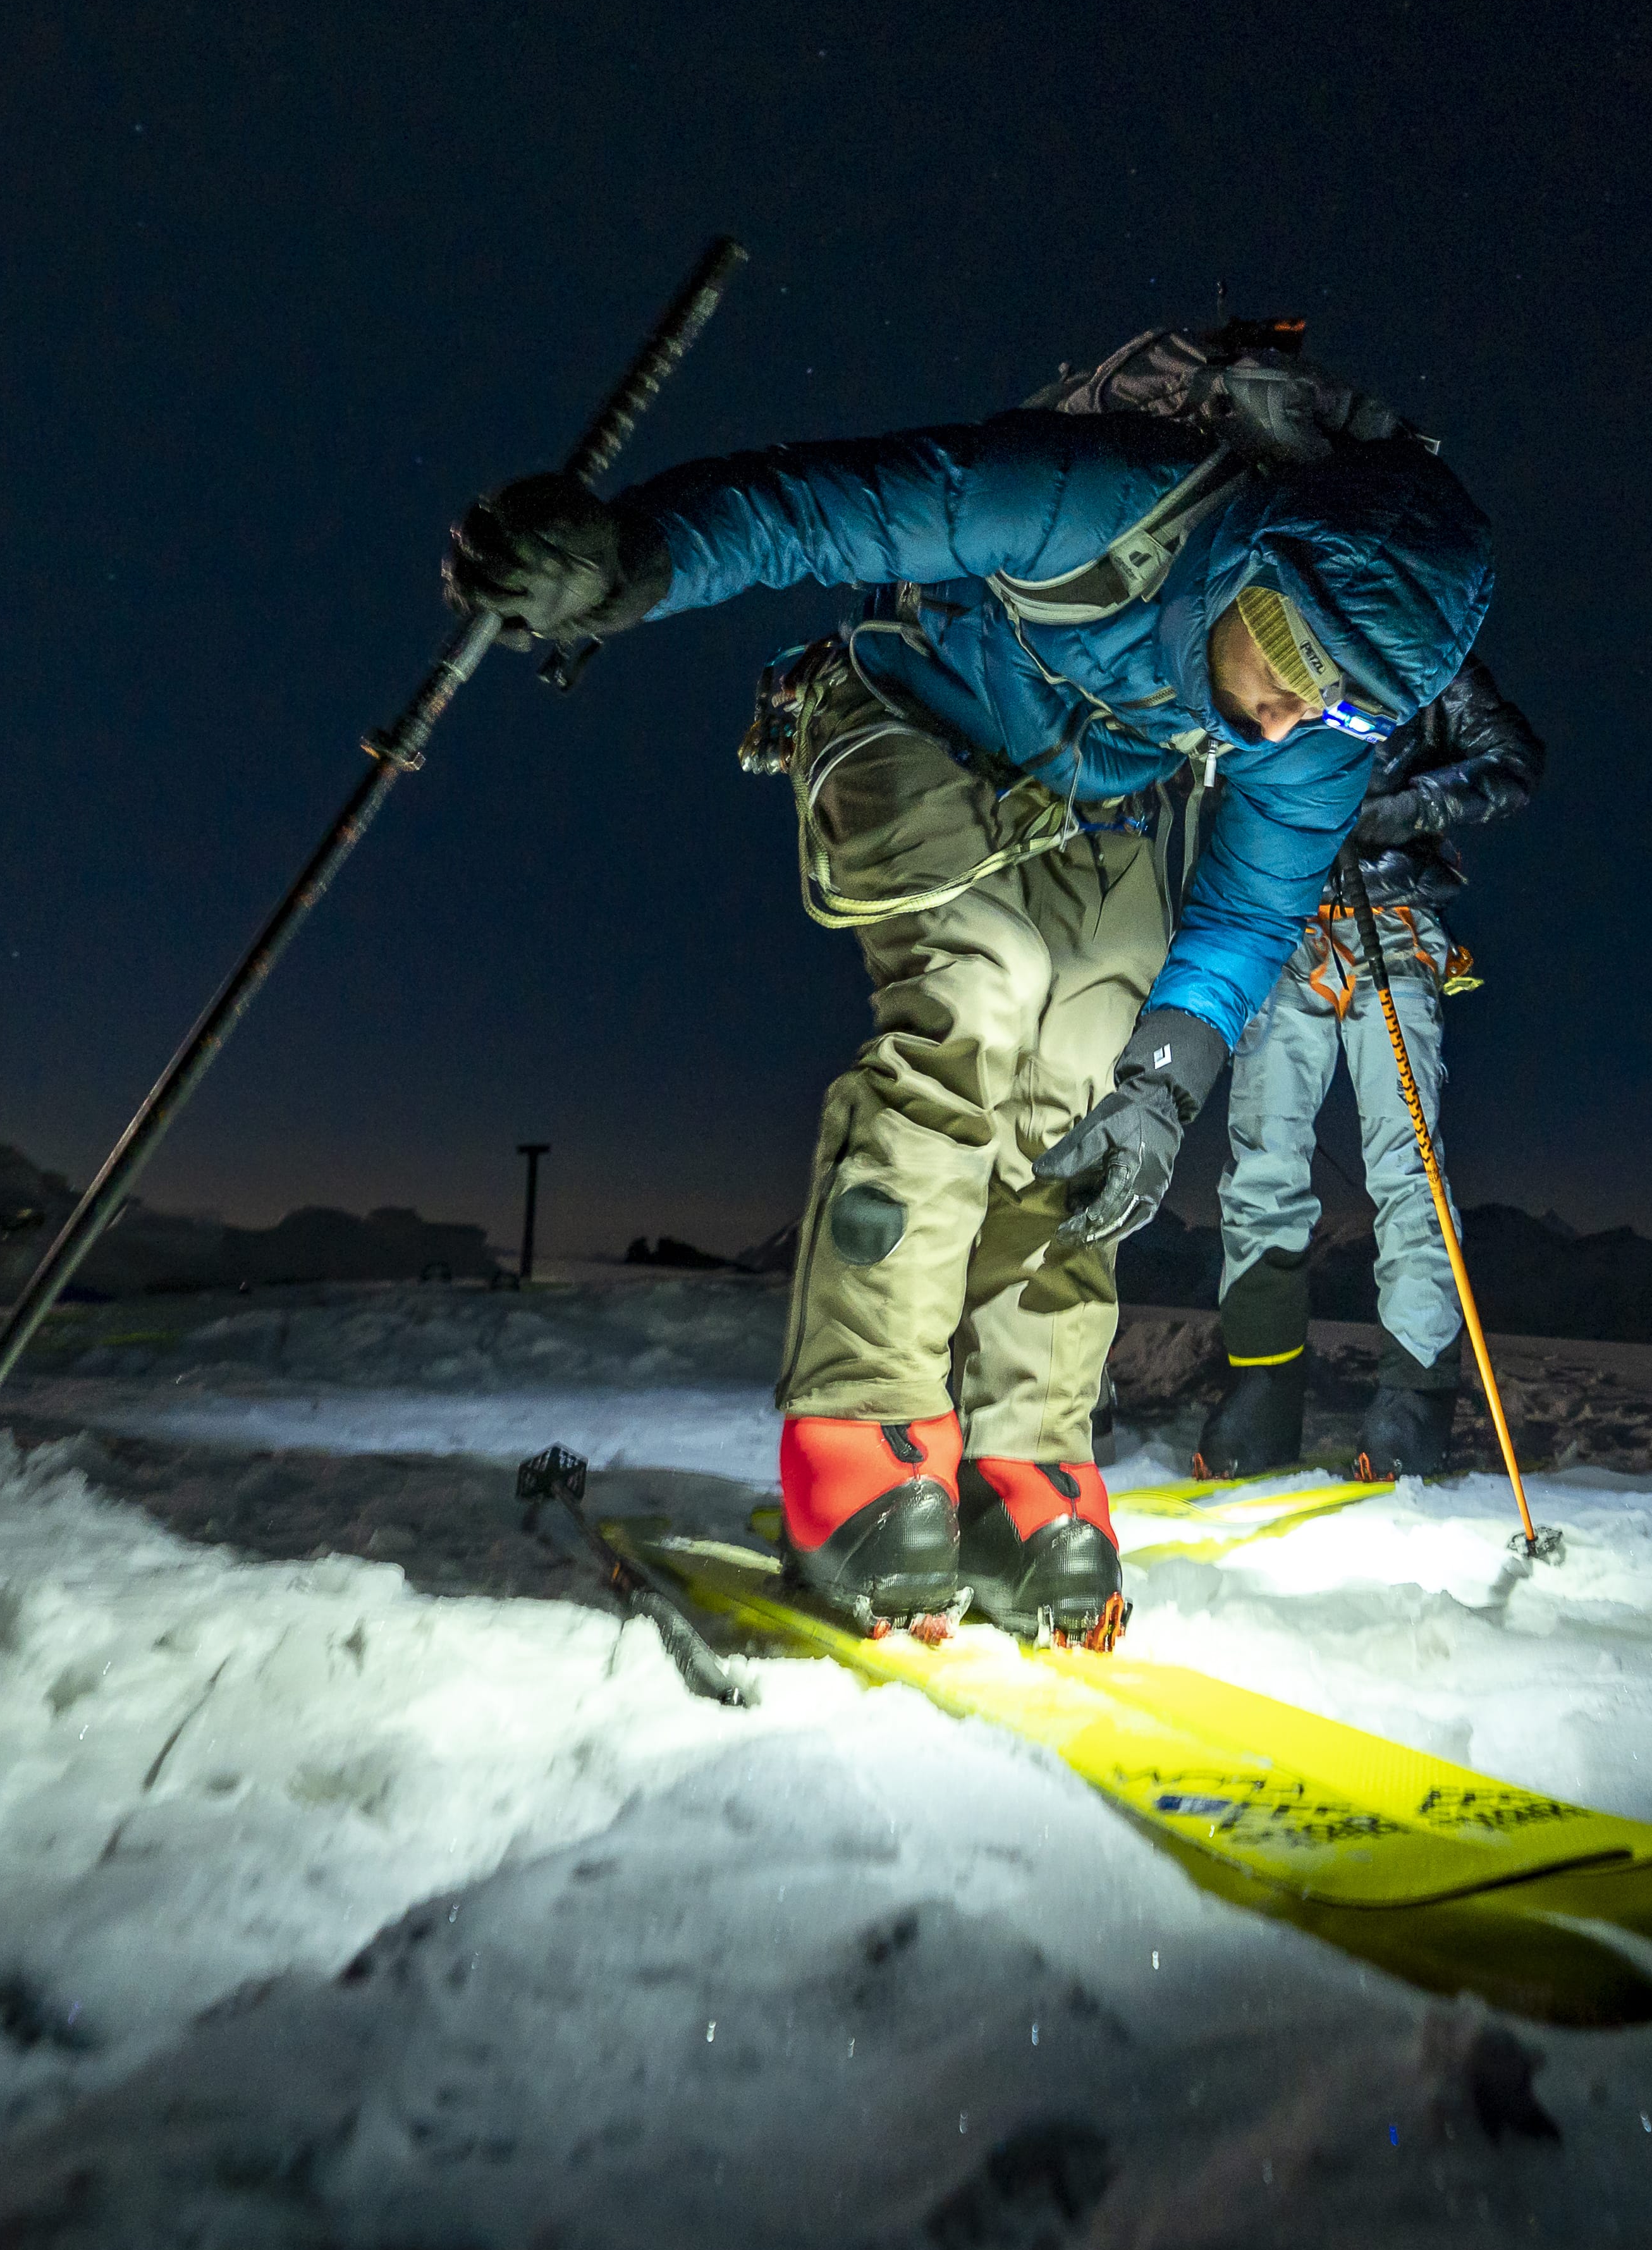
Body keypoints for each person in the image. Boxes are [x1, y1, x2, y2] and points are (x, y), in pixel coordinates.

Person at [439, 353, 1490, 1646]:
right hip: (905, 714)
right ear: (1255, 557)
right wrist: (636, 559)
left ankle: (1026, 1465)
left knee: (1094, 1058)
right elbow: (835, 507)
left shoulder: (1315, 729)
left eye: (1341, 706)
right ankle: (863, 1435)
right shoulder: (1107, 501)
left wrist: (1164, 1090)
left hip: (1085, 803)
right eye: (1288, 651)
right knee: (981, 992)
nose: (1285, 715)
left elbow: (1249, 912)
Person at [1196, 657, 1545, 1482]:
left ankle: (1414, 1397)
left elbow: (1513, 760)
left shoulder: (1426, 654)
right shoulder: (1261, 634)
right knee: (1263, 1160)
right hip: (1281, 918)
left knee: (1406, 1163)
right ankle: (1262, 1387)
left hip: (1393, 921)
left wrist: (1400, 812)